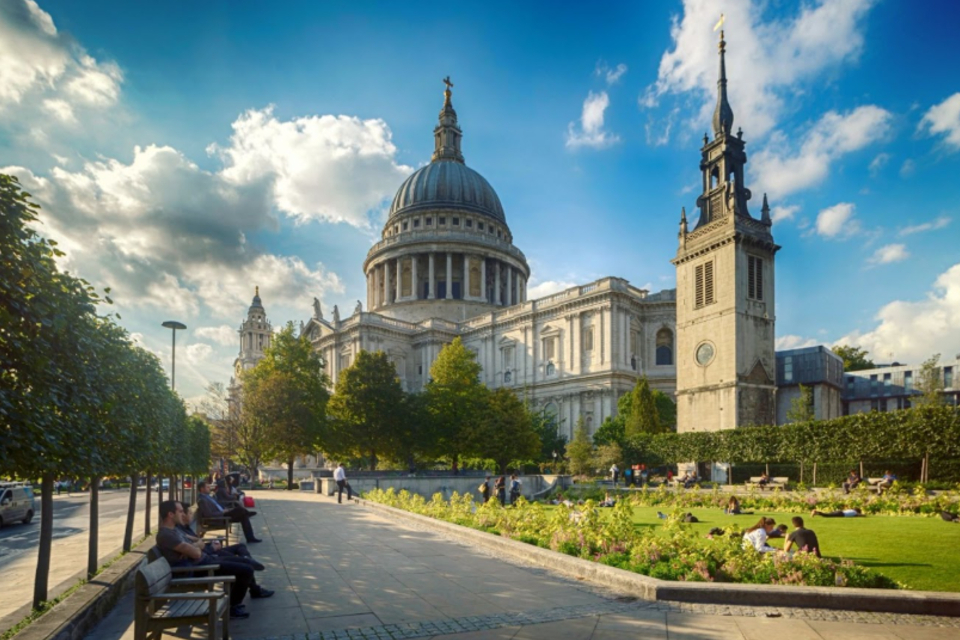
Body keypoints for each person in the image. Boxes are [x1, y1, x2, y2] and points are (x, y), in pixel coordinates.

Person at [155, 500, 255, 619]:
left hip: (205, 560)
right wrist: (194, 548)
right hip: (198, 569)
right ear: (170, 514)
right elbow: (197, 553)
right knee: (246, 570)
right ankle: (232, 607)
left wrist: (191, 548)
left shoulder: (174, 530)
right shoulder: (166, 535)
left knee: (245, 563)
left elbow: (198, 540)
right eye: (180, 511)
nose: (183, 514)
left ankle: (236, 599)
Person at [176, 502, 274, 595]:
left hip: (208, 554)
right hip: (208, 558)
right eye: (189, 513)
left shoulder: (185, 528)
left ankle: (247, 560)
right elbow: (196, 550)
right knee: (243, 566)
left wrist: (208, 544)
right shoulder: (178, 533)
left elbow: (198, 544)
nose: (192, 515)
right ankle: (250, 582)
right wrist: (211, 547)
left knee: (241, 547)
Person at [196, 480, 261, 543]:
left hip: (223, 514)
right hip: (220, 518)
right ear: (202, 489)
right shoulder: (202, 500)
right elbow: (208, 514)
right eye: (207, 487)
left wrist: (226, 509)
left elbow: (217, 506)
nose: (209, 488)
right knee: (240, 509)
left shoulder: (207, 496)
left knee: (243, 516)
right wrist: (223, 512)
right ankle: (248, 514)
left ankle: (250, 538)